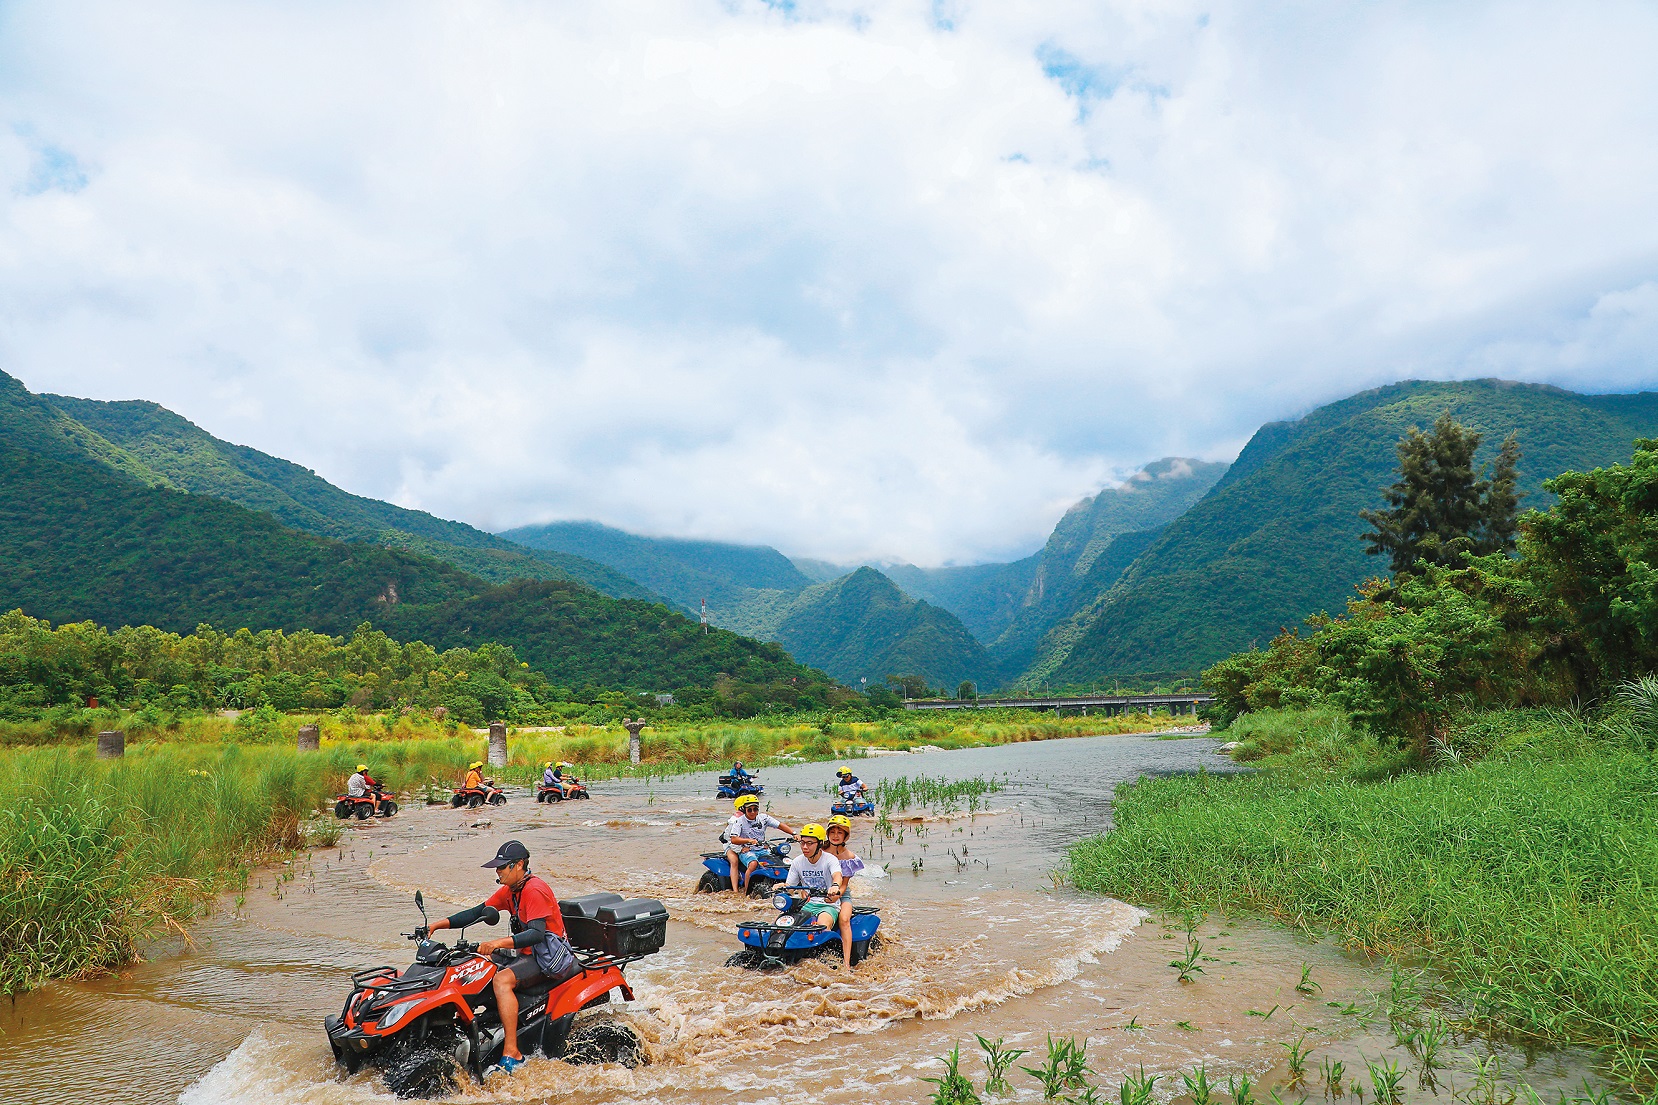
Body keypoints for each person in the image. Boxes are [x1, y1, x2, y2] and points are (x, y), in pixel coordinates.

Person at [422, 839, 579, 1077]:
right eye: (497, 867)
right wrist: (437, 925)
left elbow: (536, 934)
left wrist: (497, 943)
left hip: (548, 957)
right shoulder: (511, 891)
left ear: (519, 865)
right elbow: (476, 912)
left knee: (501, 980)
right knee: (476, 964)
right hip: (529, 953)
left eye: (502, 866)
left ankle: (512, 1051)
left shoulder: (534, 890)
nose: (498, 871)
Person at [785, 824, 847, 967]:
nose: (805, 847)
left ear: (819, 844)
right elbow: (790, 888)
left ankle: (826, 960)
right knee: (785, 925)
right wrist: (781, 888)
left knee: (821, 928)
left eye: (809, 843)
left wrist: (835, 886)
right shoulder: (797, 862)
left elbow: (837, 875)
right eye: (802, 842)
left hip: (828, 905)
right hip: (807, 904)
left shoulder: (830, 859)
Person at [724, 796, 795, 895]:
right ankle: (747, 892)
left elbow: (779, 825)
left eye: (755, 809)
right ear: (744, 809)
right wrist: (748, 841)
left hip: (762, 849)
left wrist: (794, 834)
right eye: (749, 810)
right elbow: (733, 839)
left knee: (780, 861)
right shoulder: (738, 821)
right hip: (747, 850)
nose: (753, 812)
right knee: (753, 864)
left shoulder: (764, 818)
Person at [823, 814, 864, 970]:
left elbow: (844, 884)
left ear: (846, 835)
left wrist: (836, 897)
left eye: (840, 832)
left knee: (844, 919)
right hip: (818, 891)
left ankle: (846, 963)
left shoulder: (849, 857)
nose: (835, 836)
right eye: (832, 832)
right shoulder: (819, 851)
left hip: (841, 893)